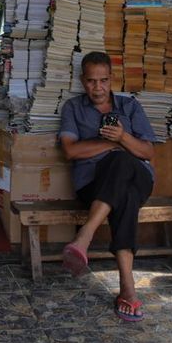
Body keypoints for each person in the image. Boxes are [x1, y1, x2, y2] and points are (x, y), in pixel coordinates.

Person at [58, 51, 156, 322]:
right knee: (125, 194)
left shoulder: (129, 107)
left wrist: (123, 137)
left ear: (112, 79)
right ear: (82, 80)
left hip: (139, 176)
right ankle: (128, 288)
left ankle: (85, 236)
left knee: (124, 162)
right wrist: (114, 144)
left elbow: (148, 151)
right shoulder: (73, 108)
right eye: (91, 81)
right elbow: (70, 151)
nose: (97, 88)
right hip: (93, 184)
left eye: (103, 81)